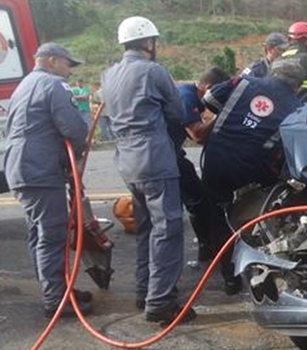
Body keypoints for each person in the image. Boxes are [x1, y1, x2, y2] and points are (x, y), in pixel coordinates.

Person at [100, 16, 195, 325]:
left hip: (127, 161)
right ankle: (161, 302)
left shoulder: (108, 74)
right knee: (167, 229)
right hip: (153, 158)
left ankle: (145, 291)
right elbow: (177, 112)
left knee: (146, 228)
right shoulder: (153, 71)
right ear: (148, 43)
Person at [4, 43, 93, 318]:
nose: (69, 72)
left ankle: (54, 289)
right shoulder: (54, 85)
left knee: (38, 234)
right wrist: (79, 150)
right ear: (53, 61)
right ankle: (56, 299)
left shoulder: (24, 85)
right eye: (68, 64)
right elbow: (73, 127)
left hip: (21, 169)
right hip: (40, 170)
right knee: (53, 235)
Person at [199, 61, 305, 290]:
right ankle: (260, 271)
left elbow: (209, 100)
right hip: (252, 170)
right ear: (297, 87)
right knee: (254, 221)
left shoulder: (243, 82)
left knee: (218, 221)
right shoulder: (297, 108)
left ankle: (229, 278)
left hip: (216, 160)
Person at [173, 67, 230, 263]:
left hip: (169, 154)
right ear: (209, 88)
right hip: (165, 157)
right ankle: (208, 248)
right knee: (198, 200)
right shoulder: (186, 96)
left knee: (197, 197)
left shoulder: (191, 95)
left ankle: (207, 248)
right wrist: (220, 115)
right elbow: (197, 134)